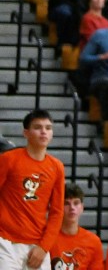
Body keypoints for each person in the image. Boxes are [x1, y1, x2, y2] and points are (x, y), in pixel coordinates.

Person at [0, 110, 65, 270]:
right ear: (26, 133)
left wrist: (44, 247)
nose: (44, 131)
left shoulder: (57, 167)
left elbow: (57, 212)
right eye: (38, 127)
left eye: (48, 128)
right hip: (5, 240)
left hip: (37, 245)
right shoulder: (9, 159)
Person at [50, 183, 104, 270]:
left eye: (76, 203)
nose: (72, 207)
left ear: (82, 207)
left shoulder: (94, 242)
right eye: (66, 203)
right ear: (59, 207)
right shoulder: (48, 237)